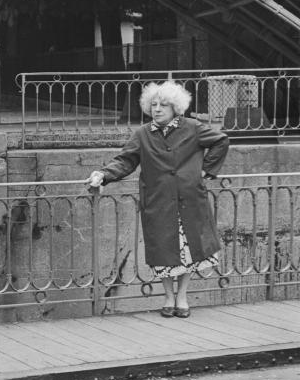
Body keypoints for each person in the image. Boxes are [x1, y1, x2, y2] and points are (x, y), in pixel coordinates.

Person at [86, 81, 229, 318]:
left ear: (176, 107)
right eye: (154, 104)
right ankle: (168, 296)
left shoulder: (192, 127)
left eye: (164, 105)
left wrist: (205, 171)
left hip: (188, 199)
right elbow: (125, 160)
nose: (158, 109)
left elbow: (221, 140)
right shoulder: (143, 134)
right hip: (158, 200)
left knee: (188, 250)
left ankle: (182, 296)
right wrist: (103, 174)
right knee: (161, 249)